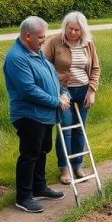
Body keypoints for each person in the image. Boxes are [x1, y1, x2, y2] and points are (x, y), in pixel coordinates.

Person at [3, 16, 70, 213]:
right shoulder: (17, 58)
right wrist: (56, 101)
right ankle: (23, 197)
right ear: (27, 36)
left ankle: (39, 187)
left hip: (45, 114)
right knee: (30, 154)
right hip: (29, 115)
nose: (44, 40)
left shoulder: (37, 52)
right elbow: (28, 90)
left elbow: (51, 76)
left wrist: (62, 92)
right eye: (41, 37)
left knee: (42, 150)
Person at [44, 11, 101, 185]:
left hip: (83, 90)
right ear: (65, 27)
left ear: (82, 30)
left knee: (80, 129)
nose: (73, 33)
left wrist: (91, 91)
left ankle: (78, 165)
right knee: (65, 128)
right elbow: (45, 68)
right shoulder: (55, 42)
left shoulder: (88, 44)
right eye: (70, 29)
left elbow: (96, 68)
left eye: (77, 30)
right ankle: (64, 168)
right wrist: (58, 91)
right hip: (64, 91)